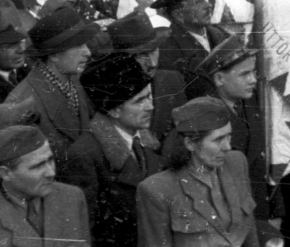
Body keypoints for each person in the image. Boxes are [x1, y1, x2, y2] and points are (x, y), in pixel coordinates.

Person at [61, 52, 162, 247]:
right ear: (114, 110)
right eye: (139, 101)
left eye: (148, 97)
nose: (150, 106)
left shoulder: (146, 142)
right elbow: (85, 229)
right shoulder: (83, 155)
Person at [136, 97, 258, 247]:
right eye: (218, 139)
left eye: (229, 136)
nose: (227, 147)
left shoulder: (236, 163)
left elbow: (250, 237)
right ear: (190, 143)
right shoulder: (157, 190)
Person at [3, 8, 93, 159]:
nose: (88, 52)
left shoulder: (73, 80)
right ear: (54, 55)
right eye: (78, 46)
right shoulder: (21, 102)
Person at [0, 124, 91, 247]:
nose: (51, 173)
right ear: (5, 173)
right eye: (37, 166)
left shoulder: (72, 197)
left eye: (50, 160)